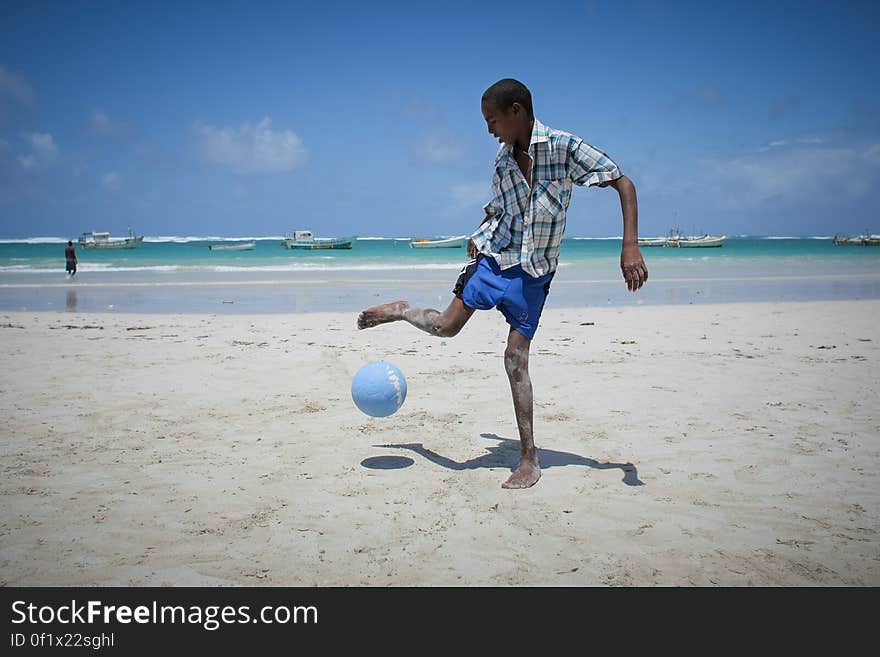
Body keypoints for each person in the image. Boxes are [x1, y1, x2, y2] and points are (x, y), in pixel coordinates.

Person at [357, 78, 647, 489]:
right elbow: (497, 210)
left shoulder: (563, 148)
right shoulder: (502, 162)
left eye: (492, 120)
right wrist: (479, 236)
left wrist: (630, 245)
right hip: (495, 259)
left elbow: (623, 181)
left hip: (535, 272)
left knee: (515, 357)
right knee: (446, 327)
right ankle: (402, 310)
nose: (489, 130)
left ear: (516, 112)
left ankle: (529, 458)